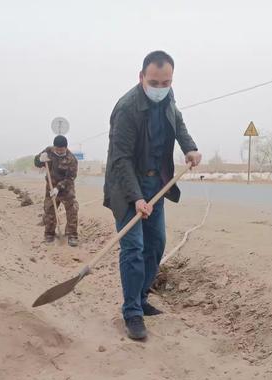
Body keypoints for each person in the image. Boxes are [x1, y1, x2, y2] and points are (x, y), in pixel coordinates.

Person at [103, 50, 201, 340]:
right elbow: (120, 159)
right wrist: (136, 198)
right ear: (142, 77)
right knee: (133, 249)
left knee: (156, 245)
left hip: (157, 185)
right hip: (126, 187)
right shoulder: (127, 108)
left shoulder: (169, 99)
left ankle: (142, 297)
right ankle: (132, 312)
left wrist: (190, 148)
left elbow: (178, 123)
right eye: (154, 82)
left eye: (166, 83)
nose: (160, 89)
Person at [34, 135, 79, 246]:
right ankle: (49, 234)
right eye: (57, 149)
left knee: (72, 210)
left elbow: (70, 178)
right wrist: (39, 159)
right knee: (49, 210)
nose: (58, 151)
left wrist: (58, 188)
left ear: (65, 148)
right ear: (54, 147)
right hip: (50, 186)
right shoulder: (48, 151)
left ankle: (71, 235)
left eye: (61, 149)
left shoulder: (71, 159)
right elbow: (37, 163)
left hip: (66, 189)